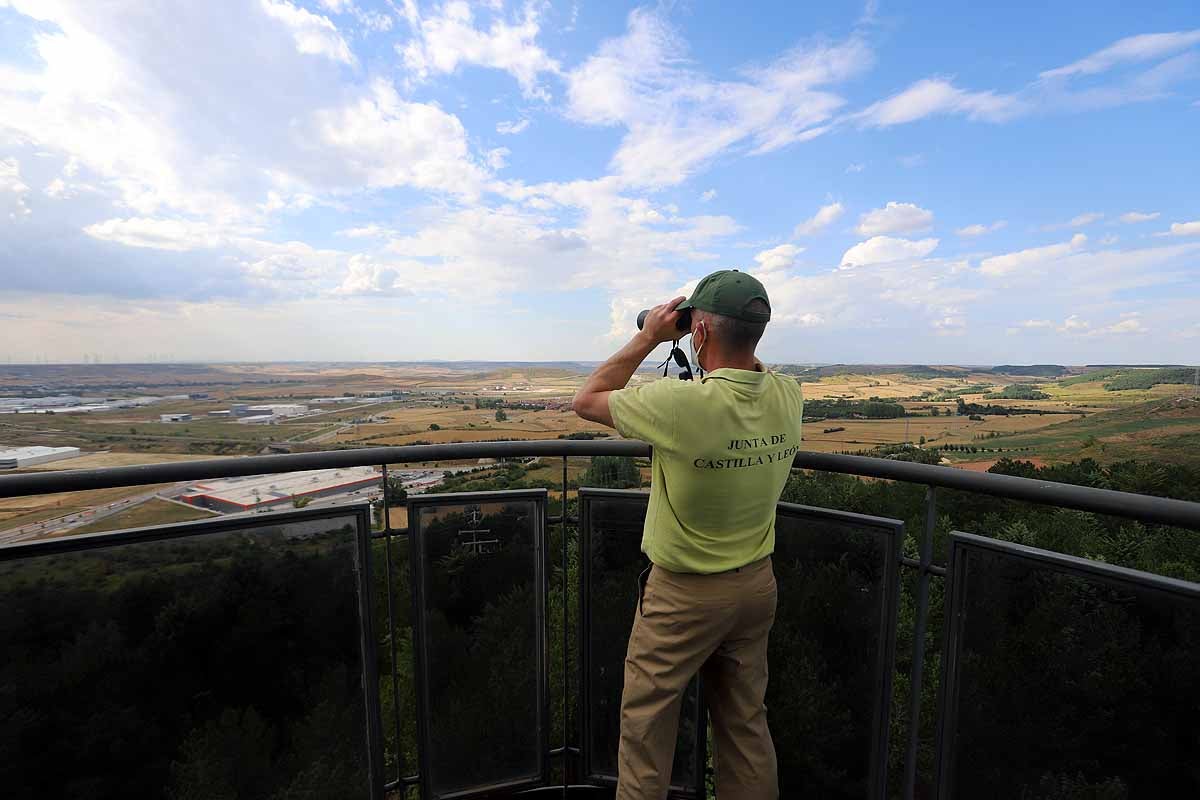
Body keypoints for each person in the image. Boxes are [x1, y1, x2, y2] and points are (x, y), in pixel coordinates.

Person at [572, 269, 803, 799]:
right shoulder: (789, 397)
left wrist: (651, 335)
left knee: (647, 727)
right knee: (746, 728)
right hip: (756, 587)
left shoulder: (680, 405)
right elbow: (751, 372)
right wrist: (724, 335)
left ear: (696, 333)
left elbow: (588, 399)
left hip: (683, 596)